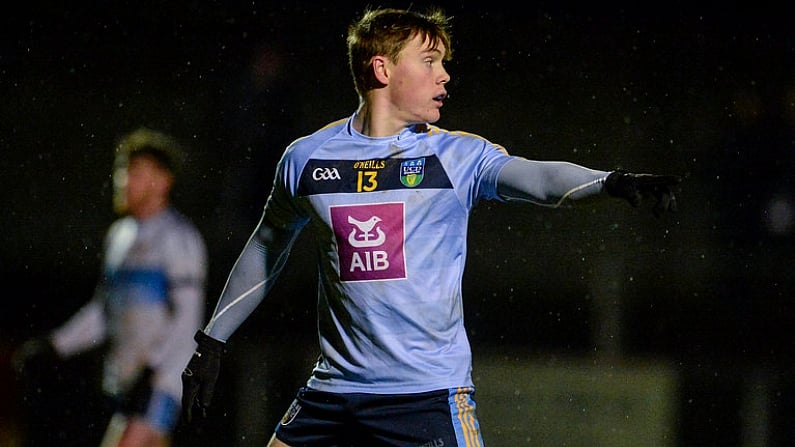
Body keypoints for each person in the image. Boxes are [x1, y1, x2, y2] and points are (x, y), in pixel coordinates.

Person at [181, 6, 680, 447]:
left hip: (424, 397)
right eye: (430, 62)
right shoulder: (308, 159)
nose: (444, 77)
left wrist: (610, 182)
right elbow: (267, 248)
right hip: (334, 393)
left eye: (443, 64)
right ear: (382, 69)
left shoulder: (456, 156)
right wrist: (212, 342)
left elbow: (538, 178)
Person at [13, 127, 208, 447]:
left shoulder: (178, 238)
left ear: (162, 181)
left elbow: (189, 321)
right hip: (125, 384)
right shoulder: (119, 237)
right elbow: (106, 311)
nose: (123, 181)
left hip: (157, 387)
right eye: (122, 172)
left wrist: (159, 376)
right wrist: (56, 345)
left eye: (134, 173)